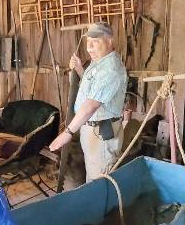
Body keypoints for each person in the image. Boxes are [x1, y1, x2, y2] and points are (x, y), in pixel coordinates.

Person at [49, 22, 128, 181]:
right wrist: (79, 69)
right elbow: (93, 86)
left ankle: (105, 206)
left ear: (110, 41)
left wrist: (68, 133)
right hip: (92, 130)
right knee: (93, 175)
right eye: (88, 42)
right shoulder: (99, 61)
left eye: (96, 42)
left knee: (99, 181)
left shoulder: (110, 68)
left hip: (101, 135)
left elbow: (92, 104)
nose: (89, 47)